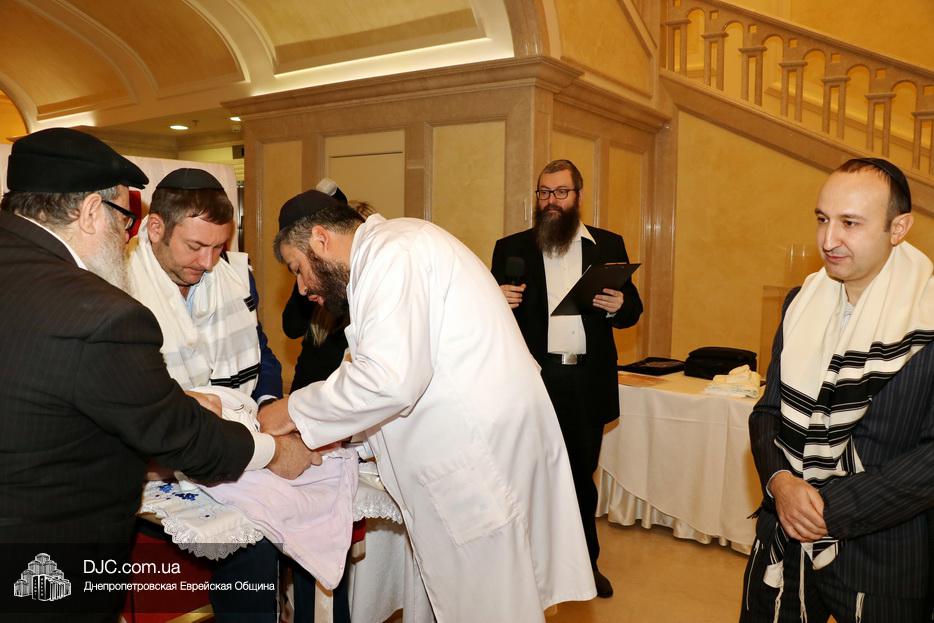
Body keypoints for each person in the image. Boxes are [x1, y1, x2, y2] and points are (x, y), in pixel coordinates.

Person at [0, 128, 316, 623]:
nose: (122, 235)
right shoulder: (100, 312)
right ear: (91, 211)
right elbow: (178, 434)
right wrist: (275, 451)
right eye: (123, 219)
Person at [258, 189, 596, 622]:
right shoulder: (392, 251)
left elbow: (388, 380)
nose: (303, 287)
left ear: (320, 239)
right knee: (478, 597)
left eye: (298, 269)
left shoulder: (393, 253)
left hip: (476, 459)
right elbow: (390, 372)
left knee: (488, 605)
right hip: (477, 443)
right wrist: (346, 439)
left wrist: (292, 410)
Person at [739, 158, 934, 622]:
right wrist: (780, 482)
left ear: (898, 227)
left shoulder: (928, 316)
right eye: (823, 219)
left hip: (884, 556)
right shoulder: (800, 302)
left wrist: (828, 509)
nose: (829, 240)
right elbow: (767, 412)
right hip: (783, 538)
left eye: (850, 223)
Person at [125, 168, 286, 621]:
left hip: (233, 450)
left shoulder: (234, 276)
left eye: (218, 247)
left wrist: (268, 405)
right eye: (195, 246)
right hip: (154, 467)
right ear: (156, 228)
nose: (209, 262)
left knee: (258, 555)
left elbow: (262, 353)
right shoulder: (117, 283)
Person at [491, 158, 642, 598]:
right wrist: (495, 299)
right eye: (544, 192)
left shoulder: (607, 244)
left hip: (584, 382)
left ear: (578, 196)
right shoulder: (510, 248)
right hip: (531, 381)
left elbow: (633, 309)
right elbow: (483, 316)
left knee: (579, 477)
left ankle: (584, 565)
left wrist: (619, 306)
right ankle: (526, 564)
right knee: (526, 474)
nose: (551, 201)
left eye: (560, 192)